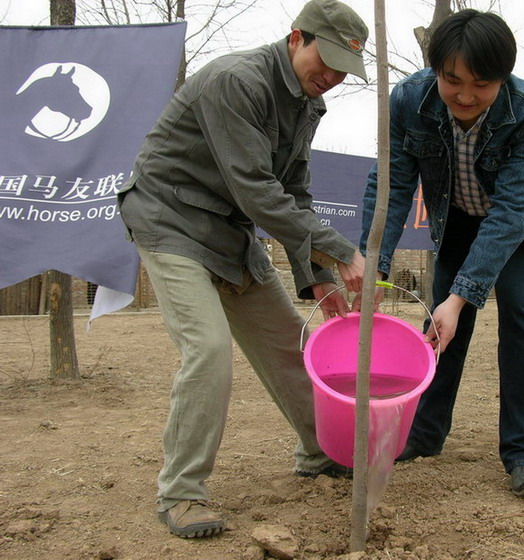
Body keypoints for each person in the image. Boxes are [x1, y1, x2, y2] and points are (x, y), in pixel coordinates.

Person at [117, 0, 368, 538]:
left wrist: (319, 276)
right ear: (297, 37)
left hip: (229, 232)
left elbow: (294, 193)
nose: (330, 78)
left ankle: (319, 452)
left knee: (290, 344)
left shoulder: (307, 104)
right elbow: (257, 191)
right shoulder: (238, 80)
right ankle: (181, 494)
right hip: (171, 218)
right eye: (324, 61)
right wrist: (341, 250)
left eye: (342, 73)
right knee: (207, 351)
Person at [356, 9, 524, 497]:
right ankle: (425, 434)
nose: (465, 96)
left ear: (504, 76)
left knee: (519, 308)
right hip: (456, 217)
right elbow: (389, 187)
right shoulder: (409, 100)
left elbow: (511, 214)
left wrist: (462, 295)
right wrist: (376, 265)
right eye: (453, 80)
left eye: (482, 84)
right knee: (441, 325)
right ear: (435, 70)